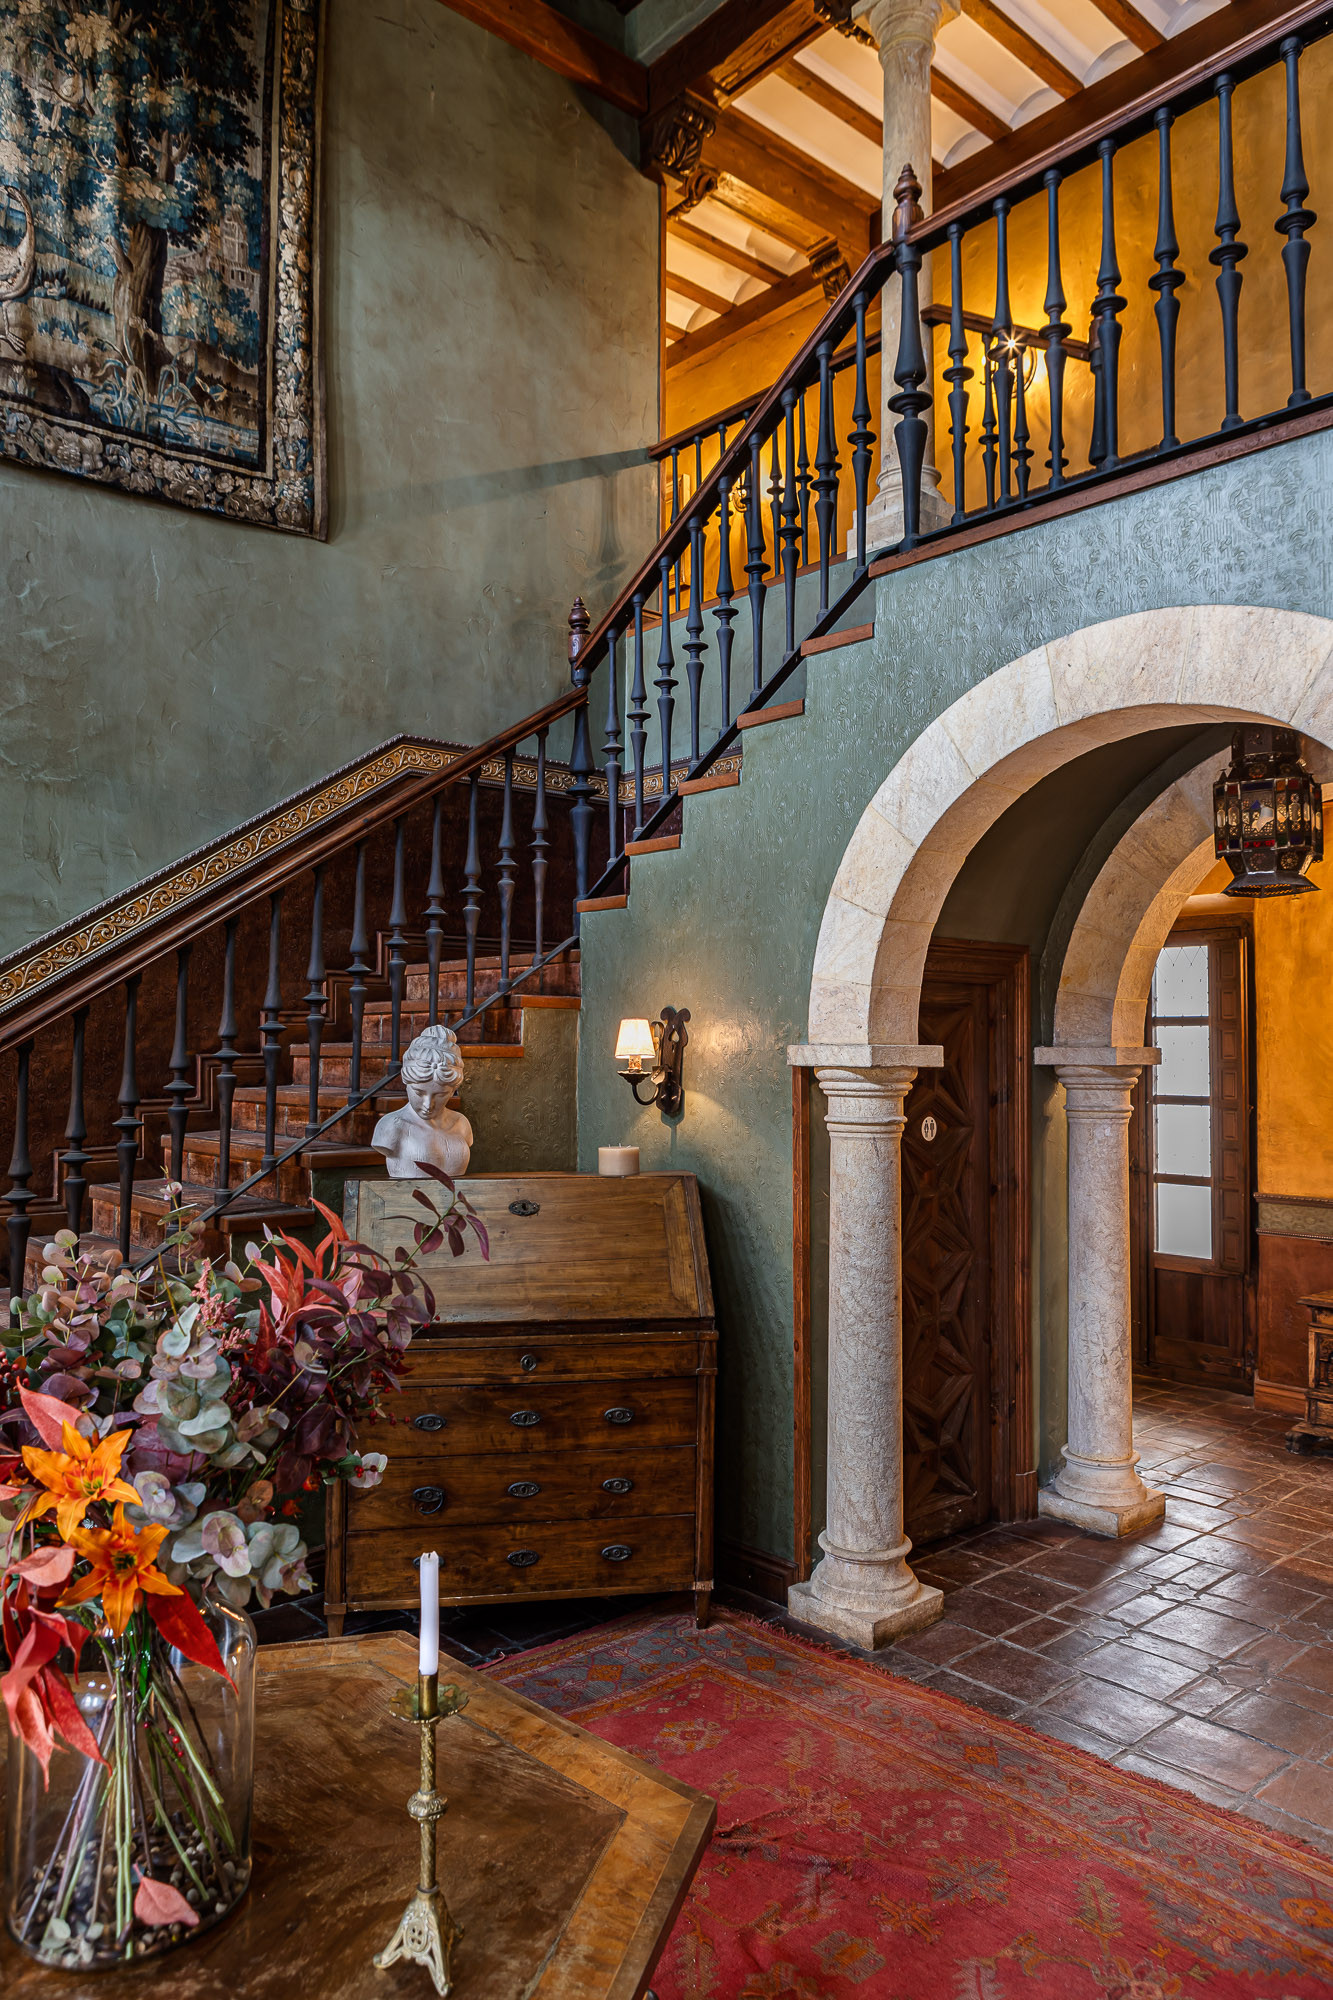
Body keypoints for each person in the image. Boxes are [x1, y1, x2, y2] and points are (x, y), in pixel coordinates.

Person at [371, 1023, 473, 1179]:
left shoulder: (461, 1123)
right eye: (419, 1092)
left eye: (441, 1095)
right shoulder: (391, 1126)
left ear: (453, 1090)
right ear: (406, 1084)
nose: (428, 1105)